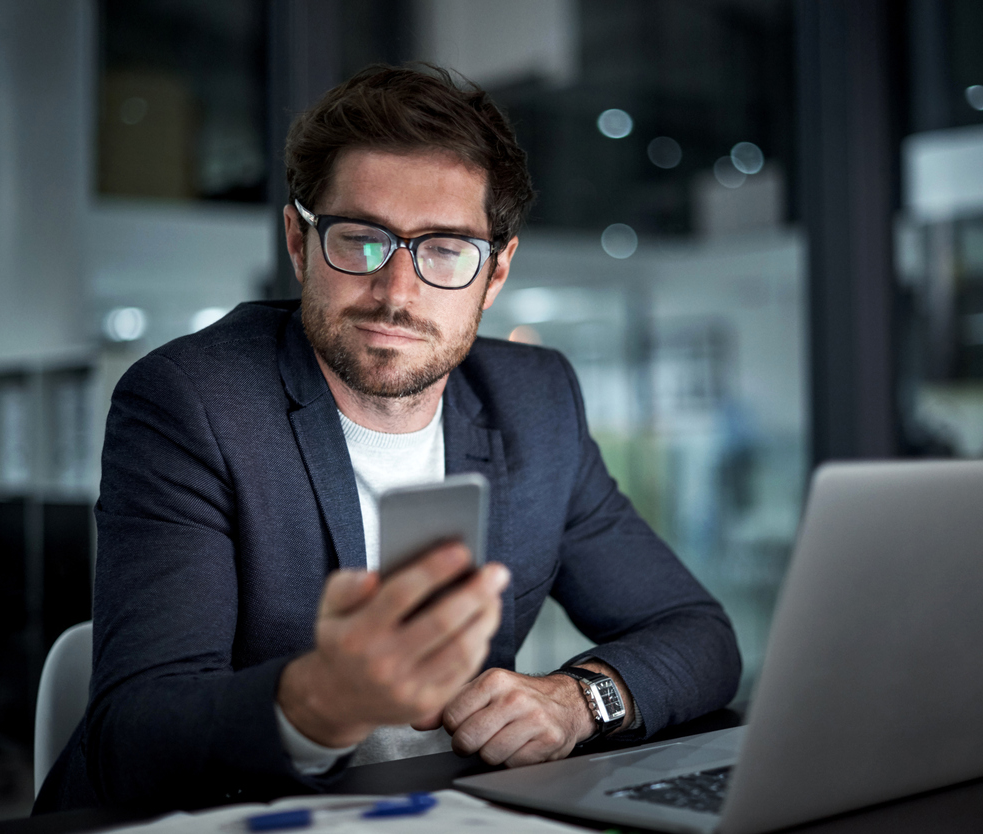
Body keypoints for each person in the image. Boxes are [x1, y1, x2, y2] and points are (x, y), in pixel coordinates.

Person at [37, 64, 740, 813]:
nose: (396, 293)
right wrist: (321, 702)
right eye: (361, 238)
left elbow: (696, 635)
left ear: (495, 272)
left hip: (442, 812)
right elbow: (133, 737)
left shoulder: (536, 404)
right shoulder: (193, 403)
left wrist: (578, 702)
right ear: (299, 243)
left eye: (444, 250)